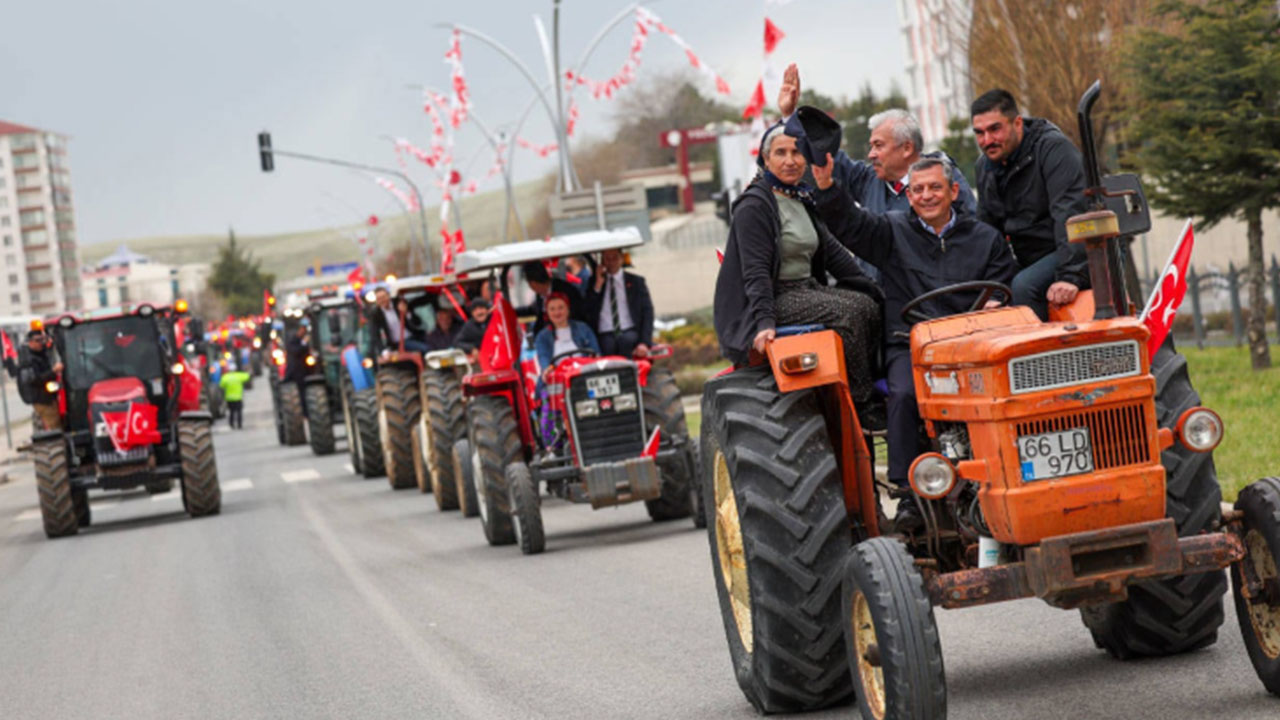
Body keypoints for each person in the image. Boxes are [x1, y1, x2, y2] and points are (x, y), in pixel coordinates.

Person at [812, 153, 1017, 529]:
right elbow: (851, 225)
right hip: (910, 343)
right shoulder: (890, 232)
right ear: (907, 196)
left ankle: (1006, 474)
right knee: (903, 394)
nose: (926, 196)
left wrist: (993, 303)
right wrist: (827, 187)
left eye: (935, 187)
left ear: (954, 191)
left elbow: (1002, 285)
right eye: (917, 189)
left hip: (971, 347)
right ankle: (909, 494)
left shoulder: (984, 238)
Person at [713, 123, 885, 428]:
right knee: (850, 312)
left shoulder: (802, 197)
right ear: (766, 160)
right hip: (771, 298)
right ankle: (861, 403)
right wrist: (764, 322)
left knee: (872, 306)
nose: (790, 160)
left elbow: (833, 253)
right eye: (780, 153)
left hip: (806, 290)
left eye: (796, 152)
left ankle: (873, 385)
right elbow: (755, 272)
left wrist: (872, 288)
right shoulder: (754, 206)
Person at [777, 63, 976, 218]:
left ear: (907, 148)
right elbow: (826, 156)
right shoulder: (868, 180)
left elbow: (970, 235)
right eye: (871, 146)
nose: (871, 154)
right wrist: (790, 116)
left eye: (879, 146)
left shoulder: (944, 180)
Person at [971, 88, 1090, 321]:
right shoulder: (984, 168)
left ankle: (1041, 357)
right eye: (979, 133)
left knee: (1025, 285)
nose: (987, 140)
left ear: (1017, 123)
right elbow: (988, 236)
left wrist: (1070, 276)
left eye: (995, 129)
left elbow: (1070, 214)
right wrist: (992, 291)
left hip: (1081, 248)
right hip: (1032, 256)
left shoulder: (1053, 149)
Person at [533, 292, 600, 450]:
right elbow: (544, 359)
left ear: (568, 309)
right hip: (558, 379)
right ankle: (553, 445)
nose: (557, 313)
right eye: (553, 309)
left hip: (584, 375)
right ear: (547, 313)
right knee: (548, 402)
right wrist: (547, 370)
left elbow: (595, 352)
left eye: (561, 308)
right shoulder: (543, 337)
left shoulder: (583, 329)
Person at [585, 249, 655, 358]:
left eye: (615, 257)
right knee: (607, 346)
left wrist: (644, 342)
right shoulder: (594, 282)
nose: (611, 262)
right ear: (602, 261)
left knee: (626, 341)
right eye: (607, 258)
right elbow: (588, 309)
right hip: (605, 332)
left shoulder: (636, 281)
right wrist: (598, 285)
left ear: (622, 259)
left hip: (628, 330)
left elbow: (647, 312)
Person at [515, 261, 587, 335]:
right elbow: (533, 310)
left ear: (533, 283)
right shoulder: (540, 296)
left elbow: (577, 314)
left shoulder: (565, 290)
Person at [17, 329, 62, 431]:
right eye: (38, 340)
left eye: (42, 340)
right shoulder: (28, 360)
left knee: (58, 424)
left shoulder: (41, 354)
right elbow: (34, 379)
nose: (41, 343)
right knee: (54, 428)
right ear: (30, 342)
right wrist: (54, 371)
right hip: (43, 400)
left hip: (50, 398)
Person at [368, 287, 430, 355]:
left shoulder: (399, 303)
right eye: (379, 299)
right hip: (399, 343)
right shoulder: (376, 314)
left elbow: (417, 322)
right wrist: (383, 350)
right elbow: (374, 334)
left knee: (434, 343)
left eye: (383, 297)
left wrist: (406, 312)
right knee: (425, 349)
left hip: (414, 335)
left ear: (388, 296)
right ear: (376, 301)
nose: (382, 300)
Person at [219, 363, 251, 429]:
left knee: (231, 412)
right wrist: (247, 370)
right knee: (239, 411)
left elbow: (221, 385)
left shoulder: (225, 377)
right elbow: (248, 376)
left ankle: (232, 425)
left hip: (229, 398)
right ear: (235, 369)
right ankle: (239, 425)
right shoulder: (239, 376)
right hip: (238, 398)